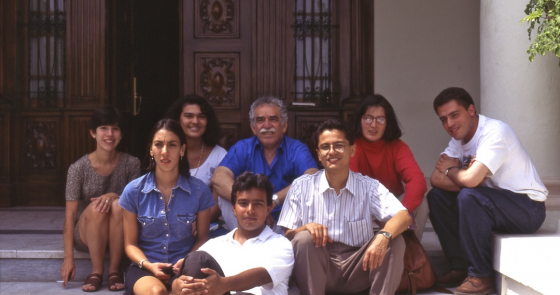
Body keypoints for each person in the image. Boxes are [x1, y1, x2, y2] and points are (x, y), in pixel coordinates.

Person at [427, 87, 547, 295]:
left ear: (471, 110)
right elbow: (436, 180)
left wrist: (452, 170)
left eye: (455, 115)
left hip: (528, 208)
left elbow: (464, 178)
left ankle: (481, 275)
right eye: (444, 119)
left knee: (469, 196)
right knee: (437, 197)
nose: (450, 124)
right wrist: (467, 178)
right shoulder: (458, 140)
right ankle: (459, 266)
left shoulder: (495, 132)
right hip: (491, 203)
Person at [278, 119, 411, 295]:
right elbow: (287, 236)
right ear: (318, 154)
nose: (332, 152)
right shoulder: (301, 186)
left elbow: (404, 216)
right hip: (319, 267)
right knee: (303, 239)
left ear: (352, 150)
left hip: (360, 266)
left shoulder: (368, 186)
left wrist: (383, 236)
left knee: (394, 240)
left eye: (339, 145)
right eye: (325, 147)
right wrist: (306, 228)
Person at [119, 119, 215, 295]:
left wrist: (186, 261)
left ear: (182, 150)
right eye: (158, 144)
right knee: (156, 292)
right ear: (150, 149)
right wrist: (148, 265)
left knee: (185, 290)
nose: (165, 152)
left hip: (185, 267)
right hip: (145, 268)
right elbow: (130, 244)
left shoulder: (199, 190)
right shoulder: (133, 191)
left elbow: (203, 238)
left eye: (172, 145)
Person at [171, 172, 294, 295]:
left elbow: (263, 276)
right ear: (234, 208)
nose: (250, 210)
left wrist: (223, 284)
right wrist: (176, 286)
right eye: (243, 203)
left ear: (267, 209)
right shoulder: (214, 245)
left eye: (257, 204)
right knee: (195, 258)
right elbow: (188, 273)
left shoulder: (280, 244)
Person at [60, 105, 140, 292]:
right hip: (87, 233)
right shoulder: (78, 169)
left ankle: (114, 271)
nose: (109, 134)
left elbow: (137, 203)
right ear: (93, 133)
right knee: (98, 207)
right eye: (104, 128)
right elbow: (70, 217)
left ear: (121, 134)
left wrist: (115, 196)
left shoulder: (131, 163)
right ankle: (97, 271)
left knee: (121, 205)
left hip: (120, 232)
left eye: (115, 129)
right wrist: (68, 258)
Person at [211, 96, 318, 231]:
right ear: (253, 128)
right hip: (249, 216)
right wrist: (256, 205)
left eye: (273, 119)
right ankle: (246, 239)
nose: (267, 125)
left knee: (310, 189)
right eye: (260, 120)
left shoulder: (296, 148)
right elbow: (219, 177)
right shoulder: (243, 147)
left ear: (284, 126)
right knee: (224, 196)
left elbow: (312, 176)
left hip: (284, 220)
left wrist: (273, 201)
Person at [350, 94, 428, 239]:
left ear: (388, 123)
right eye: (368, 118)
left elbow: (417, 181)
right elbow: (351, 184)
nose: (373, 125)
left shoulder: (397, 146)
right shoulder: (352, 146)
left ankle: (409, 249)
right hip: (364, 209)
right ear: (359, 120)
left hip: (394, 207)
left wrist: (402, 213)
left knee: (421, 203)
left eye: (380, 119)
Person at [165, 95, 227, 223]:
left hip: (209, 224)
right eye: (188, 116)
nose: (195, 121)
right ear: (177, 120)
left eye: (201, 117)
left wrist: (196, 225)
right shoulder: (166, 152)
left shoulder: (219, 155)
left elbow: (218, 204)